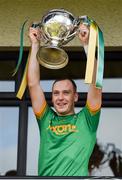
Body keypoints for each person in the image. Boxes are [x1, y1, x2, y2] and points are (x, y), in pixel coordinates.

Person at [27, 23, 102, 176]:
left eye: (66, 93)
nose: (60, 98)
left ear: (75, 97)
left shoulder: (87, 120)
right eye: (56, 93)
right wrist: (35, 44)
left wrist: (87, 45)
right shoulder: (46, 118)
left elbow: (96, 84)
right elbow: (33, 84)